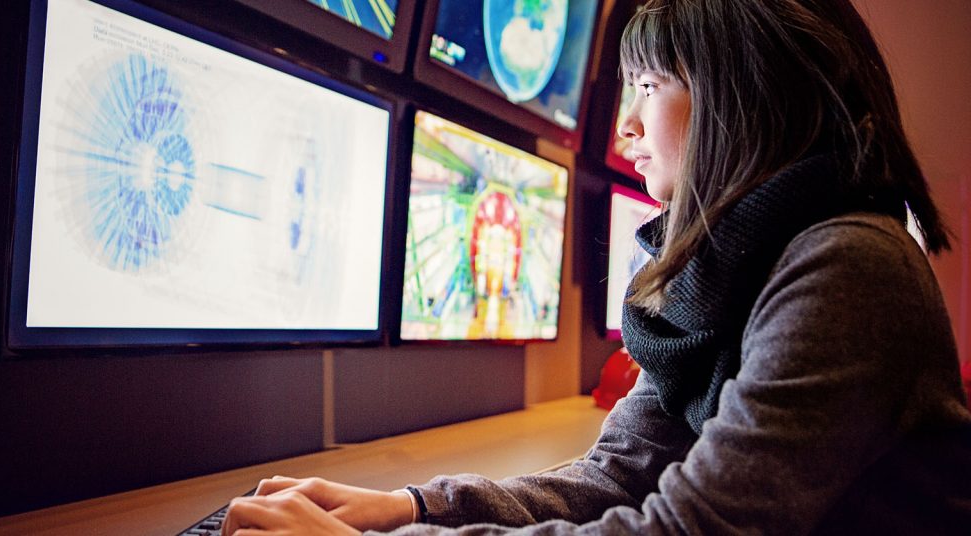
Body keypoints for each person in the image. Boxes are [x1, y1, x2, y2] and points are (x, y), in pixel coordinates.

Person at [222, 0, 971, 534]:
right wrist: (416, 507)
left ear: (745, 90)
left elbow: (687, 530)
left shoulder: (846, 266)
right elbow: (621, 472)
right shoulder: (734, 268)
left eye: (647, 85)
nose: (625, 126)